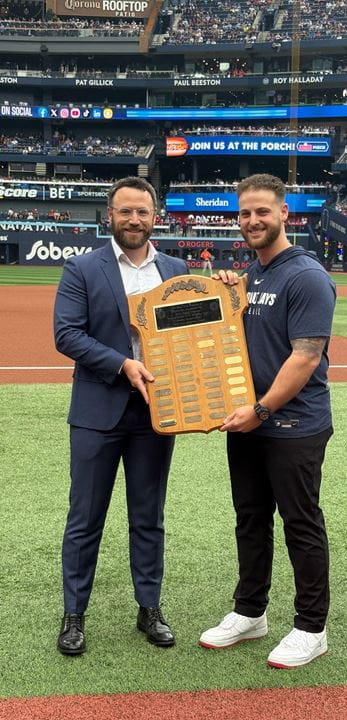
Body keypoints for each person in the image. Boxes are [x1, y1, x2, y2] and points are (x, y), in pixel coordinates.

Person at [199, 173, 336, 669]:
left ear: (284, 214)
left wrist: (261, 410)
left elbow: (305, 356)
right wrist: (226, 289)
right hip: (250, 422)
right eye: (244, 213)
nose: (252, 221)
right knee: (251, 519)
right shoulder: (251, 275)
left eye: (262, 211)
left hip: (293, 424)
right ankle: (250, 612)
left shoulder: (306, 275)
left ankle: (311, 627)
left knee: (300, 524)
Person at [54, 176, 189, 655]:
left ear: (156, 217)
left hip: (156, 414)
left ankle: (148, 608)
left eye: (143, 212)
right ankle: (74, 615)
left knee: (148, 517)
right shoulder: (82, 268)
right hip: (98, 411)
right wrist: (121, 364)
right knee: (85, 518)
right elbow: (67, 335)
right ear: (109, 216)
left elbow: (198, 327)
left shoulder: (176, 268)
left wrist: (228, 289)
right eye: (126, 212)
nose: (135, 220)